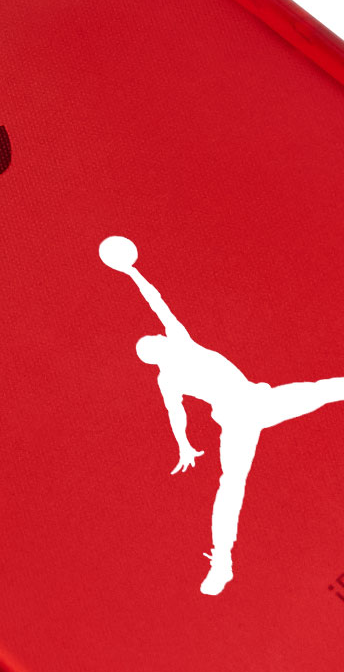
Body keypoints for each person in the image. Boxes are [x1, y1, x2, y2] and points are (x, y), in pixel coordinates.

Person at [99, 236, 344, 595]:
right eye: (152, 344)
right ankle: (222, 563)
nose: (157, 339)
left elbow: (155, 300)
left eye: (154, 337)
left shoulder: (179, 339)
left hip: (257, 399)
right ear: (153, 356)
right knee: (231, 486)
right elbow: (175, 413)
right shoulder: (169, 375)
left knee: (321, 391)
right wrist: (183, 444)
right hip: (237, 419)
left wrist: (131, 272)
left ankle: (222, 563)